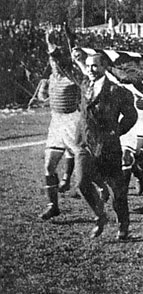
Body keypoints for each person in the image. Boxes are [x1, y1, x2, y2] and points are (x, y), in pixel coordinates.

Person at [71, 51, 138, 240]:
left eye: (95, 66)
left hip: (108, 146)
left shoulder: (117, 91)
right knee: (82, 182)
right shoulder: (85, 85)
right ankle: (100, 216)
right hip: (85, 143)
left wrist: (116, 131)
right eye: (89, 65)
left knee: (118, 190)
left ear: (104, 67)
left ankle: (123, 224)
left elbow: (132, 116)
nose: (91, 69)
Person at [37, 29, 81, 220]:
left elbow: (66, 59)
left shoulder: (72, 78)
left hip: (73, 122)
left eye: (56, 61)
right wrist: (48, 41)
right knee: (48, 166)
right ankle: (53, 205)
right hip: (56, 123)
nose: (53, 64)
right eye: (51, 61)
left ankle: (105, 190)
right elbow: (42, 95)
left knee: (86, 167)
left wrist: (65, 43)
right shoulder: (51, 79)